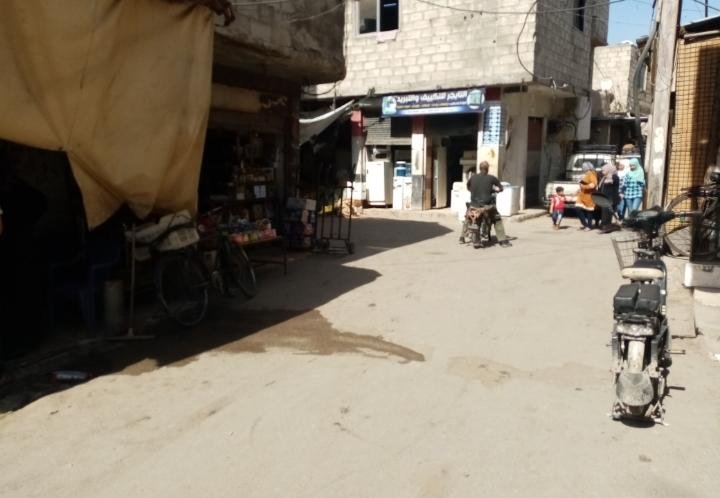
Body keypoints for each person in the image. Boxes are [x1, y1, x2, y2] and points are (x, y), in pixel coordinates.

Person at [460, 161, 511, 248]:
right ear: (487, 169)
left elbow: (468, 186)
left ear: (479, 169)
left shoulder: (473, 177)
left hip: (473, 205)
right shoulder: (492, 178)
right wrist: (496, 190)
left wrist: (473, 191)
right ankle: (502, 241)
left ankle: (462, 237)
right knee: (497, 219)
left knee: (468, 217)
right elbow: (501, 188)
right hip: (486, 206)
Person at [598, 160, 620, 233]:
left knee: (607, 213)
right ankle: (605, 226)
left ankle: (606, 227)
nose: (602, 171)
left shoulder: (614, 177)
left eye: (603, 170)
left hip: (610, 198)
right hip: (604, 198)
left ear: (608, 169)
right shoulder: (605, 177)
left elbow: (615, 190)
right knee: (605, 213)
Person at [575, 162, 597, 231]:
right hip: (582, 195)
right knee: (578, 208)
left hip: (589, 196)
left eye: (583, 166)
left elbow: (593, 184)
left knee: (589, 211)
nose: (582, 168)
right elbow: (586, 183)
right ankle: (585, 224)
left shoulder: (591, 174)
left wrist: (583, 186)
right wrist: (580, 188)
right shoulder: (587, 174)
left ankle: (589, 226)